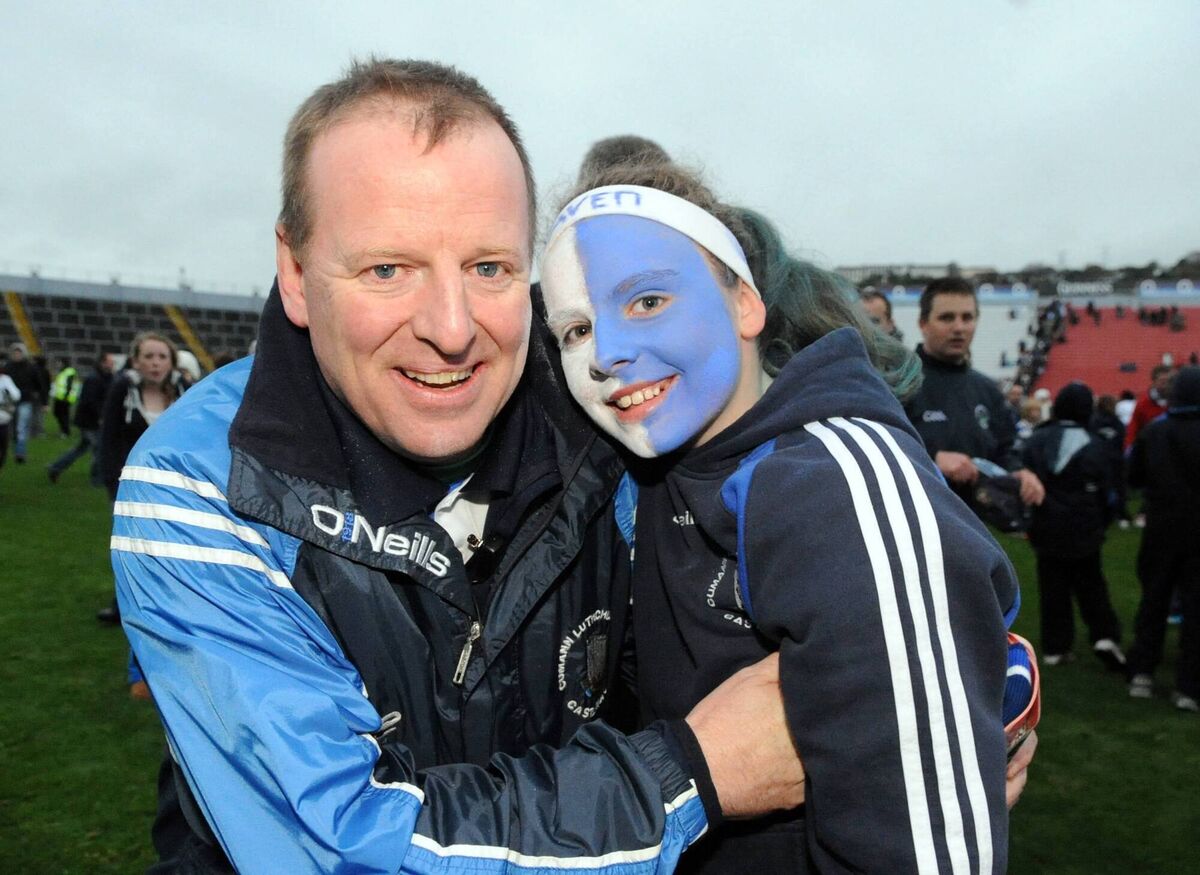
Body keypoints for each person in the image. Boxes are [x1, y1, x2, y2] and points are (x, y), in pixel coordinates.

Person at [112, 59, 804, 874]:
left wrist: (954, 651)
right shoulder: (203, 486)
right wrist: (691, 777)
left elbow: (793, 573)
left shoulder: (613, 425)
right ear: (296, 273)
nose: (451, 328)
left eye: (489, 268)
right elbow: (342, 842)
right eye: (387, 269)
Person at [540, 166, 1024, 873]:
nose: (606, 350)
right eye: (576, 328)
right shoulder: (644, 476)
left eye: (647, 299)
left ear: (746, 304)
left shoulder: (836, 486)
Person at [903, 278, 1046, 514]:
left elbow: (1006, 447)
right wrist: (932, 459)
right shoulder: (899, 384)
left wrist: (1018, 471)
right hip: (915, 522)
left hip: (975, 529)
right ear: (923, 324)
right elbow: (878, 451)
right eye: (946, 317)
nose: (958, 327)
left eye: (967, 318)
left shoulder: (987, 389)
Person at [1021, 383, 1124, 668]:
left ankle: (1055, 646)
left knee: (1052, 586)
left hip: (1046, 524)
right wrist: (1103, 521)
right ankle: (1104, 635)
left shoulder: (1036, 440)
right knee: (1091, 582)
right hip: (1084, 526)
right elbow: (1109, 491)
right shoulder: (1096, 444)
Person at [1125, 366, 1200, 711]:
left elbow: (1134, 475)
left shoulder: (1156, 432)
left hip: (1161, 527)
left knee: (1154, 600)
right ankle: (1188, 687)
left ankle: (1141, 673)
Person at [97, 332, 184, 625]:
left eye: (162, 357)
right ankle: (123, 605)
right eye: (148, 356)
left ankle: (168, 604)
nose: (156, 363)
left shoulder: (184, 390)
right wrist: (111, 479)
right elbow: (108, 436)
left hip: (173, 485)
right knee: (129, 547)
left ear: (172, 362)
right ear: (136, 360)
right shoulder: (122, 390)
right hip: (130, 484)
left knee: (170, 545)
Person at [48, 351, 115, 485]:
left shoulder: (106, 377)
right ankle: (97, 479)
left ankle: (55, 467)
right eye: (110, 362)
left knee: (81, 448)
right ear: (103, 363)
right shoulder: (94, 378)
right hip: (90, 421)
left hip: (92, 420)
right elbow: (90, 401)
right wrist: (101, 416)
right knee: (98, 449)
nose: (112, 364)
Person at [5, 342, 42, 463]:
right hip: (10, 402)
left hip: (25, 401)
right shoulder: (8, 367)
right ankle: (13, 450)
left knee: (21, 427)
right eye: (15, 353)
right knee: (11, 427)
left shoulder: (31, 368)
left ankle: (20, 452)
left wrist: (40, 397)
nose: (17, 355)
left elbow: (38, 384)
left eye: (19, 352)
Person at [1124, 363, 1172, 450]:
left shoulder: (1177, 403)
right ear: (1154, 382)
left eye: (1169, 381)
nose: (1166, 385)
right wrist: (1129, 450)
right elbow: (1133, 430)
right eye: (1162, 381)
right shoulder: (1143, 404)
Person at [0, 359, 21, 476]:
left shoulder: (6, 380)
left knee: (3, 442)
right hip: (4, 415)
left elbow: (16, 395)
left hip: (3, 415)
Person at [50, 357, 80, 437]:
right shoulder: (63, 371)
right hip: (60, 397)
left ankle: (65, 431)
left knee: (63, 414)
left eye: (59, 362)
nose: (58, 364)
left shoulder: (69, 371)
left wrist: (66, 396)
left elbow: (69, 385)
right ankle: (63, 429)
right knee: (58, 413)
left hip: (65, 398)